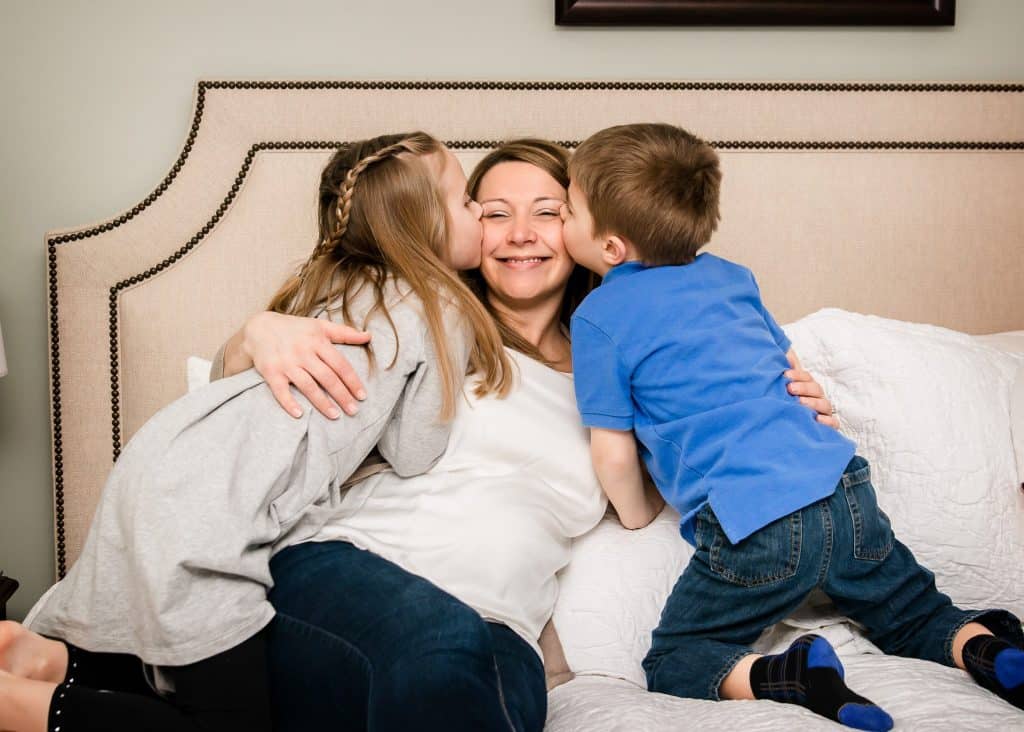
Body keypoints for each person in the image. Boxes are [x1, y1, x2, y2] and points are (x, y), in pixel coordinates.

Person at [206, 138, 841, 731]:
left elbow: (713, 475)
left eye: (547, 212)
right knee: (442, 651)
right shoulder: (421, 325)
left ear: (594, 232)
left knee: (492, 690)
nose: (519, 235)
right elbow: (249, 417)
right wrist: (253, 337)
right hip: (350, 572)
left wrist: (787, 421)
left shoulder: (634, 380)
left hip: (501, 631)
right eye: (493, 213)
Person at [0, 131, 511, 732]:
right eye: (465, 200)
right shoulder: (442, 305)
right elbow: (414, 451)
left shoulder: (334, 285)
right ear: (422, 225)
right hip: (213, 510)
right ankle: (27, 710)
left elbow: (241, 387)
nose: (479, 211)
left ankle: (48, 661)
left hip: (162, 457)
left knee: (187, 673)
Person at [559, 122, 1024, 730]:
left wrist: (636, 513)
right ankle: (987, 650)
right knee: (914, 613)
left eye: (568, 208)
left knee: (676, 658)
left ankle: (789, 673)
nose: (560, 218)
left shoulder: (598, 317)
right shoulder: (731, 276)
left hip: (757, 524)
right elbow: (789, 369)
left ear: (612, 248)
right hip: (843, 488)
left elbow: (613, 451)